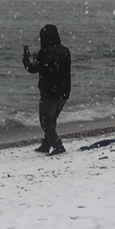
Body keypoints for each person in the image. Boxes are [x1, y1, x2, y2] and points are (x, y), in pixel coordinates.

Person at [22, 24, 71, 155]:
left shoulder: (45, 53)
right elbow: (53, 65)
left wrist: (26, 60)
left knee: (46, 121)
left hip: (50, 93)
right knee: (51, 119)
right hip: (64, 93)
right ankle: (46, 144)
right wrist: (40, 58)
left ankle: (57, 145)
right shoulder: (65, 51)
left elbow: (33, 69)